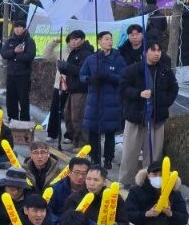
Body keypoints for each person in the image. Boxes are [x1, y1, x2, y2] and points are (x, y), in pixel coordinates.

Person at [118, 42, 179, 187]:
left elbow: (173, 88)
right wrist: (138, 93)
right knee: (130, 153)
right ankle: (125, 181)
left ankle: (151, 183)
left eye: (159, 50)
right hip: (136, 118)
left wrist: (164, 102)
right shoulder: (133, 69)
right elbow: (123, 88)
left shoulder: (165, 71)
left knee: (153, 155)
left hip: (156, 119)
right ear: (146, 52)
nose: (157, 53)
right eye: (153, 50)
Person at [80, 31, 127, 168]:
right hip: (94, 101)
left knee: (110, 132)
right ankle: (95, 159)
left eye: (111, 39)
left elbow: (123, 78)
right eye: (106, 39)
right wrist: (90, 79)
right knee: (93, 132)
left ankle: (108, 159)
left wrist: (108, 76)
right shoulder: (91, 59)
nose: (109, 42)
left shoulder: (118, 59)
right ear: (99, 41)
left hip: (111, 101)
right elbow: (82, 75)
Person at [124, 159, 189, 225]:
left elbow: (184, 218)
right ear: (148, 175)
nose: (158, 178)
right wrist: (146, 214)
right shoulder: (137, 191)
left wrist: (170, 214)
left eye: (162, 175)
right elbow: (127, 214)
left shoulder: (175, 193)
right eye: (155, 175)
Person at [57, 30, 94, 149]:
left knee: (78, 118)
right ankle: (76, 142)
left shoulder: (86, 53)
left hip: (81, 90)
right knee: (68, 117)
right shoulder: (74, 52)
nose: (73, 41)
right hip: (71, 90)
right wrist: (63, 68)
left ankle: (83, 145)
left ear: (82, 40)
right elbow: (70, 70)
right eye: (72, 39)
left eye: (76, 39)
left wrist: (67, 67)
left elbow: (82, 71)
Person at [0, 20, 37, 121]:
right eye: (16, 27)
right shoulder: (10, 41)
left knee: (23, 99)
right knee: (11, 98)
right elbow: (3, 53)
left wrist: (16, 56)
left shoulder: (29, 41)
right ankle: (12, 117)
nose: (18, 29)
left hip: (23, 75)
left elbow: (30, 55)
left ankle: (24, 119)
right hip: (11, 74)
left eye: (20, 27)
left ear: (24, 28)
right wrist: (14, 52)